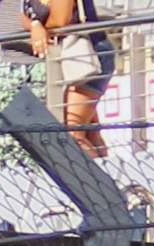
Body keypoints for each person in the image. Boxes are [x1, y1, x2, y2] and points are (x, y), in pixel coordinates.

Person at [29, 0, 113, 157]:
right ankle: (109, 174)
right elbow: (23, 17)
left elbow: (62, 20)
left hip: (88, 55)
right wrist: (34, 26)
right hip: (71, 57)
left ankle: (95, 180)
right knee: (90, 133)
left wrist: (39, 27)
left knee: (74, 135)